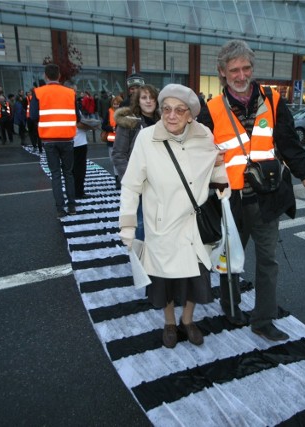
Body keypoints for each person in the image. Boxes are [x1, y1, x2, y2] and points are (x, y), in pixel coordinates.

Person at [198, 39, 305, 341]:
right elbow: (197, 152)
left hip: (267, 196)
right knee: (230, 260)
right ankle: (231, 307)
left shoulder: (273, 99)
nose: (241, 75)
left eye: (246, 68)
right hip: (230, 198)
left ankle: (263, 320)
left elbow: (289, 141)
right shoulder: (210, 110)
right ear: (222, 73)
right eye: (234, 70)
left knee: (268, 261)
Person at [118, 83, 229, 348]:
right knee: (164, 282)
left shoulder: (204, 136)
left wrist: (221, 175)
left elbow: (214, 173)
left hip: (194, 226)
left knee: (194, 279)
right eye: (166, 109)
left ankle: (187, 320)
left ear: (190, 114)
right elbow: (131, 184)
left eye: (180, 110)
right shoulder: (146, 139)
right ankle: (170, 322)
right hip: (162, 226)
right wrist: (127, 225)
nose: (171, 115)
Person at [29, 63, 79, 218]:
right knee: (69, 173)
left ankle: (60, 209)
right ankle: (72, 206)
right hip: (67, 138)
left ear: (45, 76)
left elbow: (33, 116)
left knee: (56, 174)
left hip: (49, 139)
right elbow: (78, 115)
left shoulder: (38, 92)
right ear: (59, 76)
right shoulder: (70, 93)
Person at [112, 84, 160, 238]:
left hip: (159, 181)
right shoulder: (129, 123)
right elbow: (118, 154)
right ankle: (139, 258)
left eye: (151, 98)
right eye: (144, 98)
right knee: (139, 221)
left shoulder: (164, 121)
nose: (148, 101)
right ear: (137, 100)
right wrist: (130, 179)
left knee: (157, 221)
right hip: (139, 182)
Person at [102, 95, 122, 187]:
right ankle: (117, 179)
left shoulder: (124, 113)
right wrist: (112, 128)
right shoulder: (109, 112)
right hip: (112, 139)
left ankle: (121, 178)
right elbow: (103, 125)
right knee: (114, 160)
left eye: (117, 104)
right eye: (114, 104)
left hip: (122, 139)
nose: (115, 106)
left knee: (122, 160)